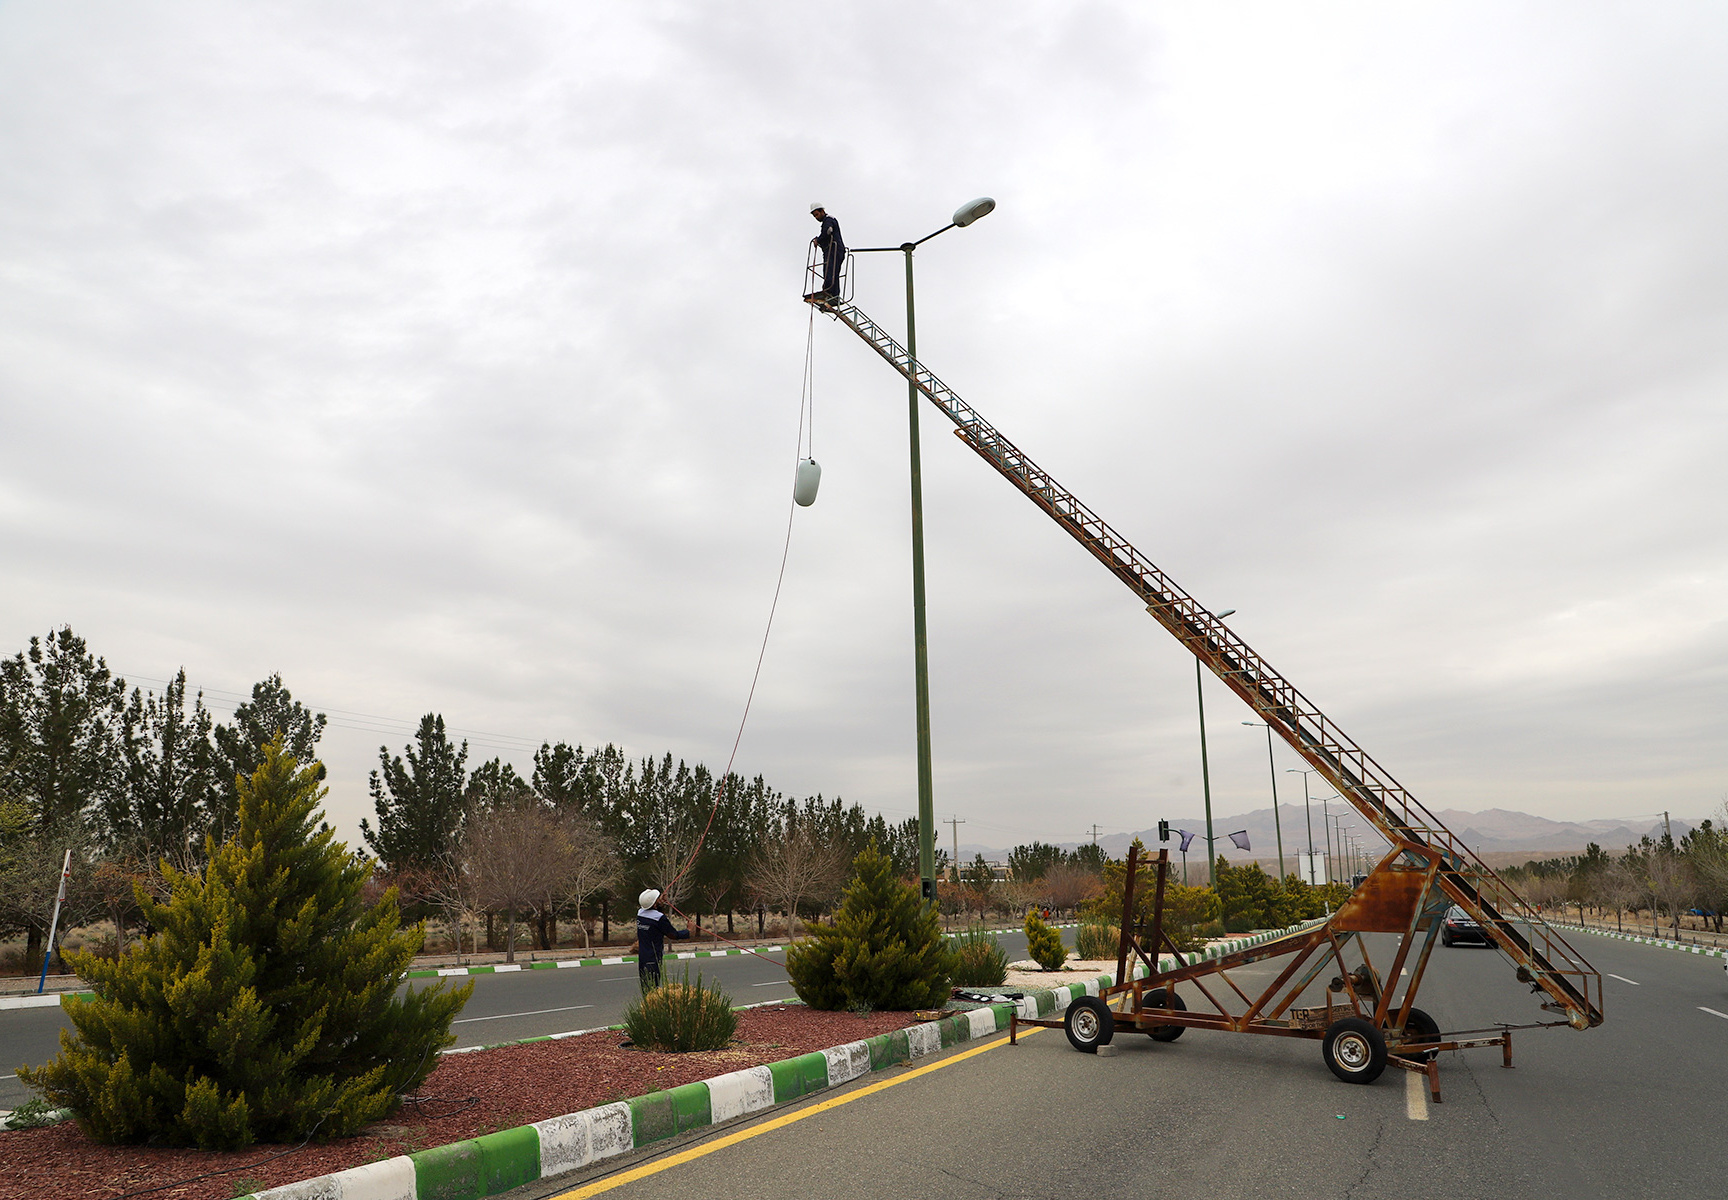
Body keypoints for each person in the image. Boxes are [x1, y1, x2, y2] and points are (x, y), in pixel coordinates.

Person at [633, 887, 690, 988]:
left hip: (643, 958)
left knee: (646, 988)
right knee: (652, 988)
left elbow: (652, 913)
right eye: (658, 899)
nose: (660, 899)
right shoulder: (659, 918)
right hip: (653, 959)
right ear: (655, 904)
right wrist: (688, 931)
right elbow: (673, 934)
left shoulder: (640, 913)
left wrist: (660, 903)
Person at [807, 203, 844, 303]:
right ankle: (834, 294)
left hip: (834, 250)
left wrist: (818, 240)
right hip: (834, 250)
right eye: (814, 216)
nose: (816, 217)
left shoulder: (829, 220)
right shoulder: (828, 220)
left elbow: (827, 231)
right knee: (833, 273)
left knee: (830, 271)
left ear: (822, 211)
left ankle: (829, 293)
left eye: (817, 214)